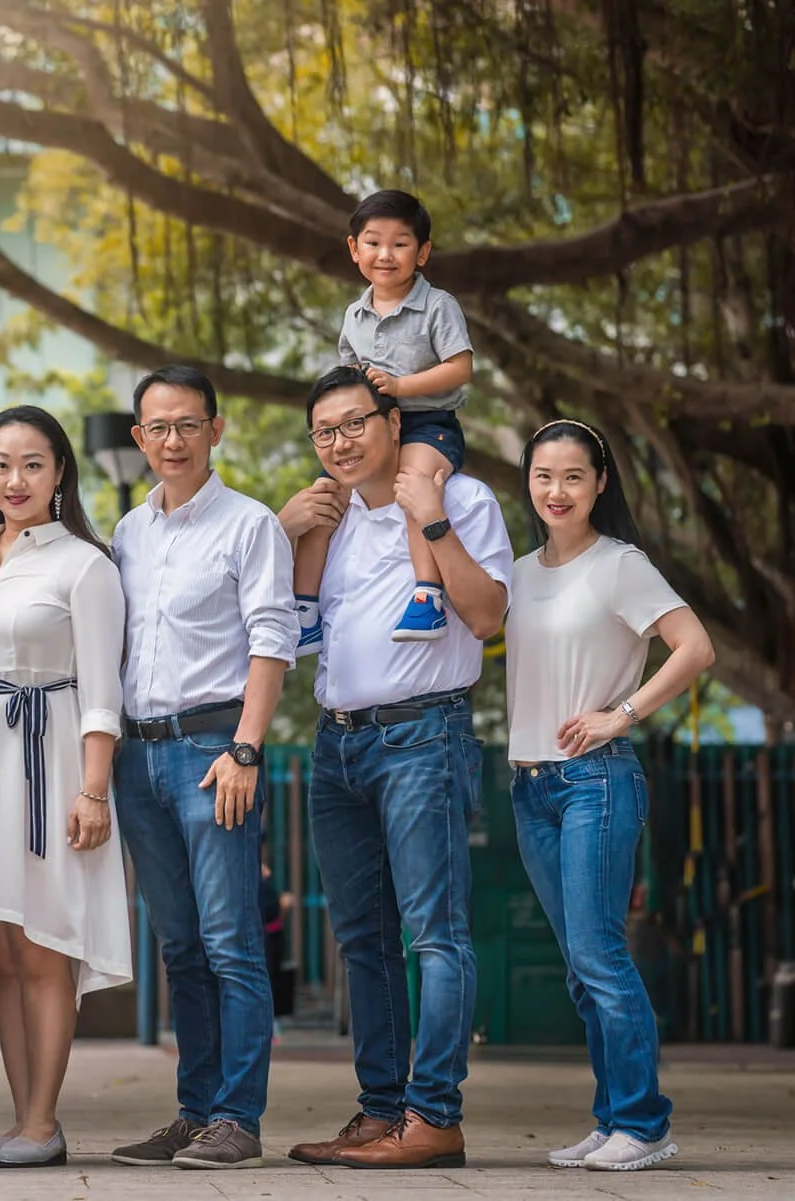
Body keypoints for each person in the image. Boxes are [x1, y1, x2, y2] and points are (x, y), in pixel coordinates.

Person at [278, 366, 511, 1169]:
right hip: (337, 743)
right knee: (362, 938)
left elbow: (484, 617)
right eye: (325, 431)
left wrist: (434, 520)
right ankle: (382, 1112)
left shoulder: (462, 499)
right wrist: (286, 526)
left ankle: (435, 1114)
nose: (341, 442)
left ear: (392, 419)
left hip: (423, 735)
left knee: (434, 934)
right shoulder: (331, 520)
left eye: (354, 423)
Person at [505, 419, 713, 1171]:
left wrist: (620, 712)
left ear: (599, 484)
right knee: (579, 964)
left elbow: (696, 646)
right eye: (542, 476)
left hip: (596, 778)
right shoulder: (521, 570)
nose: (556, 491)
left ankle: (645, 1122)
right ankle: (613, 1116)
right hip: (531, 786)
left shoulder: (622, 564)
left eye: (572, 477)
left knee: (600, 956)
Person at [107, 366, 295, 1170]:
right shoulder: (126, 531)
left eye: (188, 424)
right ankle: (195, 1111)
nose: (172, 440)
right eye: (157, 427)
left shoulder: (251, 525)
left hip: (213, 752)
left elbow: (272, 638)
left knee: (230, 942)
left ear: (216, 430)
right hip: (137, 755)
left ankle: (238, 1116)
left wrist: (245, 748)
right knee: (179, 944)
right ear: (140, 437)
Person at [0, 405, 130, 1168]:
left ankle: (42, 1119)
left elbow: (101, 686)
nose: (14, 479)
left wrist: (94, 788)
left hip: (50, 765)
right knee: (5, 944)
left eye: (32, 464)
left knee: (48, 944)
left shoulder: (86, 564)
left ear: (60, 472)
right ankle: (24, 1122)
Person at [291, 190, 475, 646]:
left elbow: (460, 367)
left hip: (428, 423)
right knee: (323, 500)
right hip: (370, 428)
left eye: (400, 243)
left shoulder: (438, 306)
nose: (385, 255)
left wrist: (399, 387)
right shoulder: (354, 314)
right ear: (354, 250)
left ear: (423, 252)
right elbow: (350, 371)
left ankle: (427, 597)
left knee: (414, 486)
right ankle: (304, 610)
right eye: (373, 243)